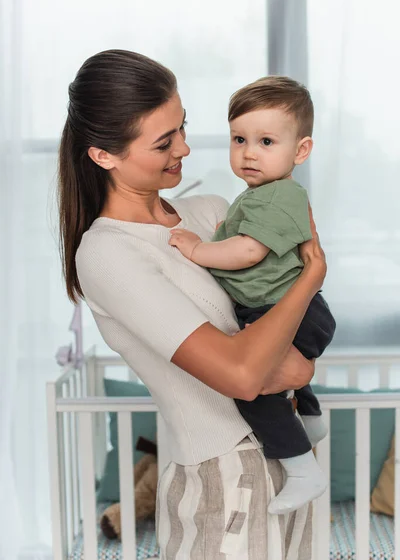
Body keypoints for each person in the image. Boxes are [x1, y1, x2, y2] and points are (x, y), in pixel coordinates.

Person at [58, 50, 326, 559]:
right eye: (164, 142)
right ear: (103, 155)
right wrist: (312, 276)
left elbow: (290, 358)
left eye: (183, 127)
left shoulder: (211, 212)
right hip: (224, 479)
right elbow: (244, 376)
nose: (184, 147)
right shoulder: (109, 253)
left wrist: (298, 364)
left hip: (291, 460)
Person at [169, 76, 335, 515]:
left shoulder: (276, 197)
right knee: (282, 373)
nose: (248, 152)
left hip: (290, 312)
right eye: (239, 139)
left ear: (300, 151)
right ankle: (313, 421)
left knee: (254, 391)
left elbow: (248, 251)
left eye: (265, 141)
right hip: (290, 309)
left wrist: (197, 249)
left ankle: (302, 469)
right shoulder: (261, 194)